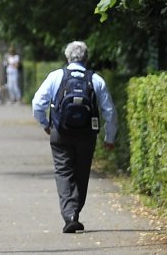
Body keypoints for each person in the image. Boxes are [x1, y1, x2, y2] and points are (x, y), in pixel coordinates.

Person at [31, 41, 117, 233]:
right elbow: (109, 111)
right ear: (86, 58)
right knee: (81, 172)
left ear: (67, 57)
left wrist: (45, 124)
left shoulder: (56, 76)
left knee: (63, 172)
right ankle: (74, 212)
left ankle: (69, 214)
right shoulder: (96, 80)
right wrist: (109, 138)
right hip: (87, 134)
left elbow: (37, 104)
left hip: (60, 133)